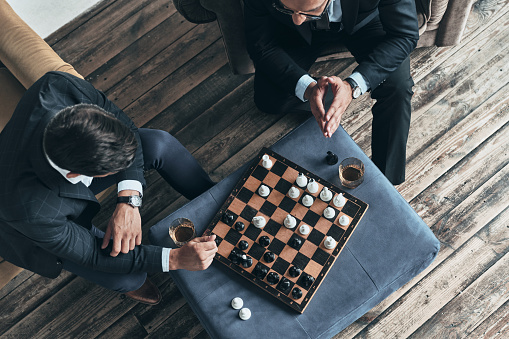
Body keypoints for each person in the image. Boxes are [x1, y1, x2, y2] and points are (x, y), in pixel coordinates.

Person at [0, 71, 218, 305]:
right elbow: (93, 254)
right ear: (78, 175)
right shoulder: (29, 212)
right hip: (32, 223)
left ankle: (216, 199)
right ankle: (134, 284)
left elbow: (124, 125)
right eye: (113, 171)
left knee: (158, 143)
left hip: (54, 175)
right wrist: (174, 259)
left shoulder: (59, 86)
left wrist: (129, 198)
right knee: (127, 276)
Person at [244, 0, 420, 185]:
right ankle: (327, 96)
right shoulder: (295, 20)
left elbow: (404, 35)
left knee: (398, 87)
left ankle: (386, 183)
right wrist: (308, 88)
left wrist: (353, 86)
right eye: (285, 7)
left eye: (310, 10)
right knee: (268, 99)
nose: (297, 19)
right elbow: (261, 45)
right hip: (294, 35)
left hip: (365, 24)